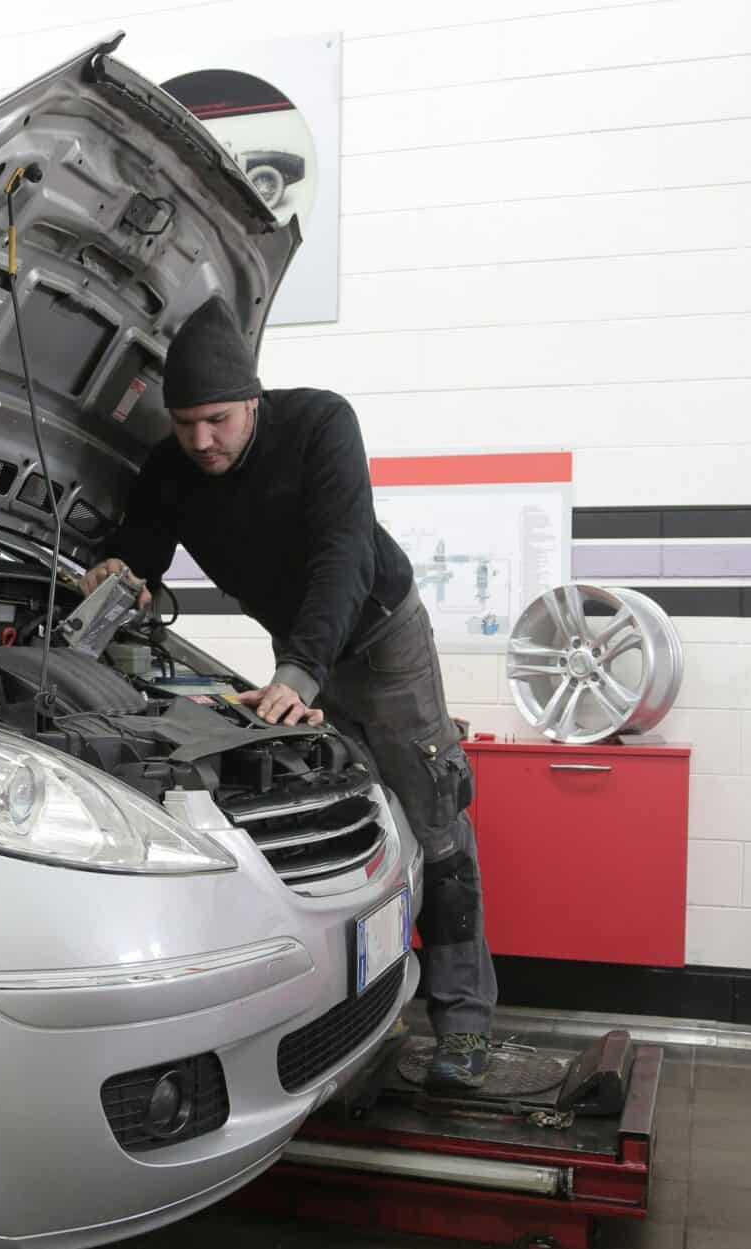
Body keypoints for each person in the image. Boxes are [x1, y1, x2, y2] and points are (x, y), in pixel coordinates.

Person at [81, 298, 498, 1091]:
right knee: (338, 817)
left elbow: (345, 557)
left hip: (379, 639)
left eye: (218, 420)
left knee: (435, 818)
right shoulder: (172, 467)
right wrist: (118, 572)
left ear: (254, 401)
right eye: (184, 423)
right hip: (298, 651)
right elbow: (142, 551)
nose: (201, 441)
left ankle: (467, 1024)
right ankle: (358, 1012)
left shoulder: (320, 427)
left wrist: (300, 673)